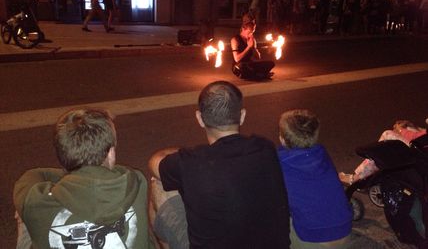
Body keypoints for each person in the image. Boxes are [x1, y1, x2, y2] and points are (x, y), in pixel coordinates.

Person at [148, 80, 290, 249]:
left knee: (158, 183)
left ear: (199, 119)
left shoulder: (191, 162)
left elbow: (154, 162)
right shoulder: (265, 148)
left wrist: (185, 154)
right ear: (242, 116)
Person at [13, 107, 155, 249]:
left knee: (24, 214)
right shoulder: (135, 181)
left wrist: (73, 175)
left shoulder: (35, 199)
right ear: (111, 153)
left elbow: (32, 175)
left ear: (62, 159)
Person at [277, 109, 353, 249]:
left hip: (313, 238)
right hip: (345, 230)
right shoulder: (321, 153)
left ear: (282, 138)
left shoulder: (278, 163)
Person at [339, 119, 427, 185]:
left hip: (421, 153)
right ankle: (367, 171)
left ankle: (355, 178)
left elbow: (420, 139)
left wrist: (401, 130)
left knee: (387, 135)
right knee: (406, 128)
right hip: (422, 148)